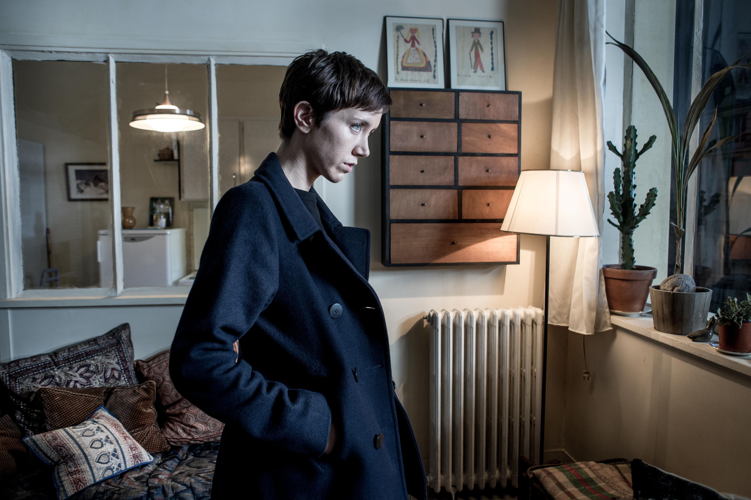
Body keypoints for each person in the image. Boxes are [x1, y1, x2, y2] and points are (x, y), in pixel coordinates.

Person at [169, 50, 427, 500]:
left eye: (370, 131)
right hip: (298, 472)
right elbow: (199, 359)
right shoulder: (252, 208)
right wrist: (317, 426)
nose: (364, 148)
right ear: (305, 116)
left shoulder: (312, 211)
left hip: (341, 460)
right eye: (356, 126)